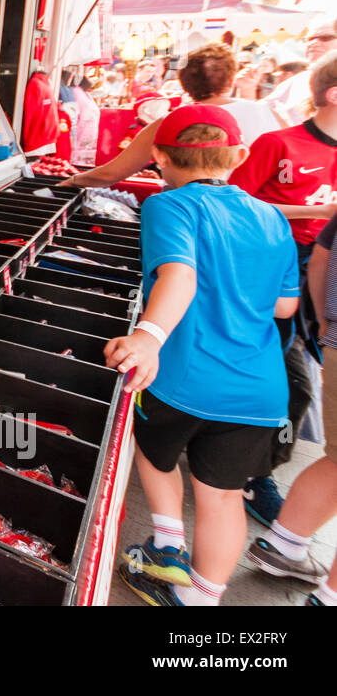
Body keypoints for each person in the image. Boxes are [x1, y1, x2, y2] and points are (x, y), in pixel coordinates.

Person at [109, 104, 299, 606]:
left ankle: (168, 545)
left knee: (150, 448)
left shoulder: (168, 205)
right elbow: (285, 305)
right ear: (238, 156)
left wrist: (148, 335)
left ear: (157, 157)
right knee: (222, 496)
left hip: (183, 377)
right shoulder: (273, 216)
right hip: (258, 391)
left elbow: (180, 275)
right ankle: (201, 598)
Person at [229, 50, 337, 524]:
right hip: (275, 267)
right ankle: (252, 473)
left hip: (326, 276)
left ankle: (259, 469)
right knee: (292, 382)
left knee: (302, 384)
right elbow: (236, 202)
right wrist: (315, 216)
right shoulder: (279, 143)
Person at [244, 208, 337, 606]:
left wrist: (322, 319)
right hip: (289, 318)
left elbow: (319, 258)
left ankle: (283, 542)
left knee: (300, 405)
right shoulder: (277, 145)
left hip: (327, 330)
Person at [60, 43, 283, 188]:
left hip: (189, 222)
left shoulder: (174, 121)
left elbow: (110, 175)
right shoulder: (270, 114)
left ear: (184, 83)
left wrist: (67, 183)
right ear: (232, 79)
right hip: (261, 225)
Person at [261, 19, 337, 125]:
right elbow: (261, 110)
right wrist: (248, 89)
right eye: (310, 39)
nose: (314, 43)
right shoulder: (298, 80)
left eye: (326, 38)